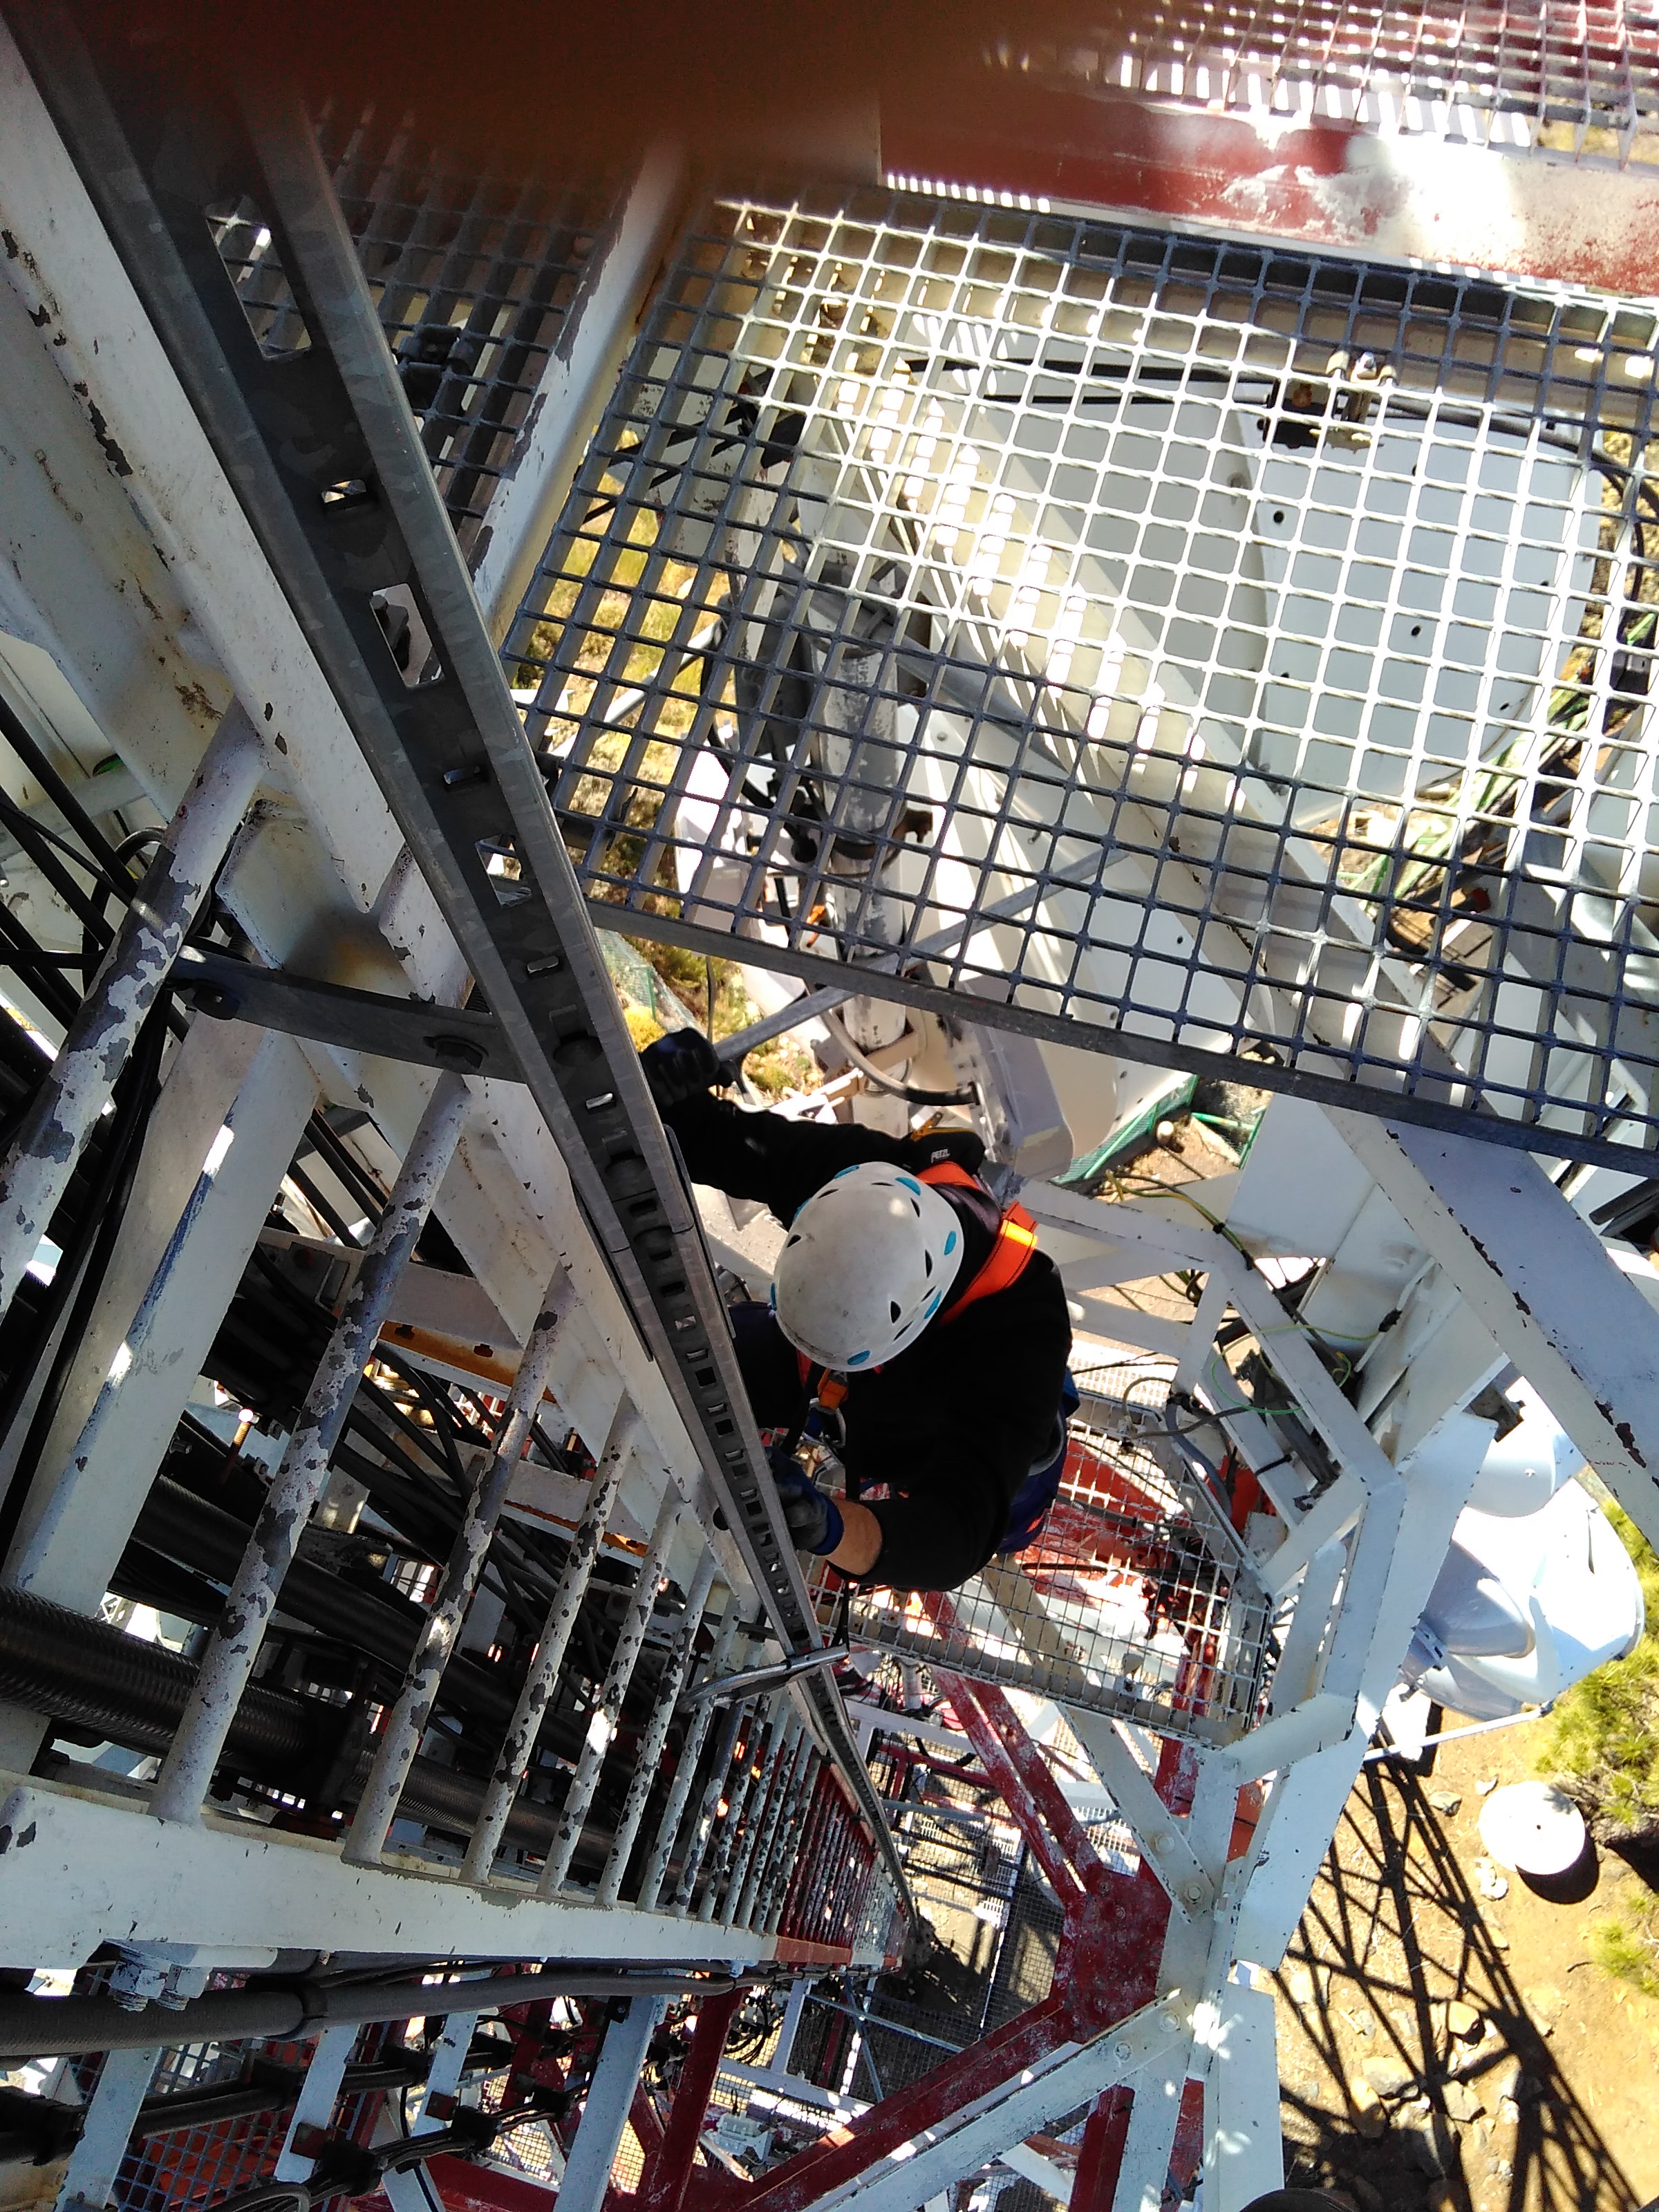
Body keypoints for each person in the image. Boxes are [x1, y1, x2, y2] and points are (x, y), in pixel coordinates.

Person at [642, 1027, 1074, 1593]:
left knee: (1006, 1512)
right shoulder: (868, 1177)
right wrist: (660, 1092)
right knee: (687, 1357)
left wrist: (828, 1526)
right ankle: (811, 1366)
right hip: (820, 1371)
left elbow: (957, 1533)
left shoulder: (1020, 1341)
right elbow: (719, 1142)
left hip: (931, 1435)